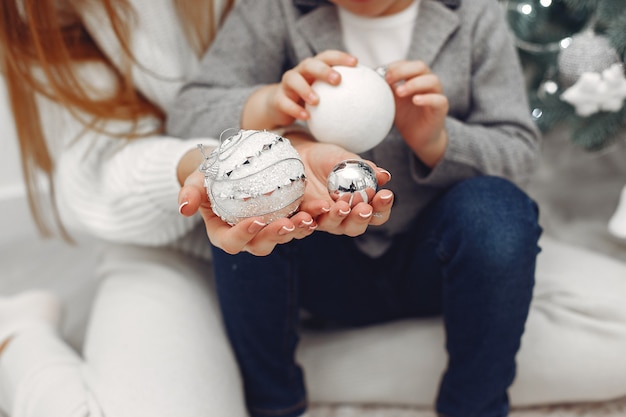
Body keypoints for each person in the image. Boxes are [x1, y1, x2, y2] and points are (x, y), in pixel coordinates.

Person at [0, 0, 392, 415]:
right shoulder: (44, 11)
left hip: (297, 234)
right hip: (167, 232)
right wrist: (207, 168)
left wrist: (293, 140)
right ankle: (16, 332)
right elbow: (95, 169)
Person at [167, 1, 543, 417]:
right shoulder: (275, 10)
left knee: (498, 212)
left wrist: (436, 141)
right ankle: (273, 404)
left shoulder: (473, 14)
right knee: (250, 207)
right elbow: (187, 114)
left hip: (434, 263)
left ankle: (475, 407)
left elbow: (520, 154)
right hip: (321, 263)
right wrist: (270, 103)